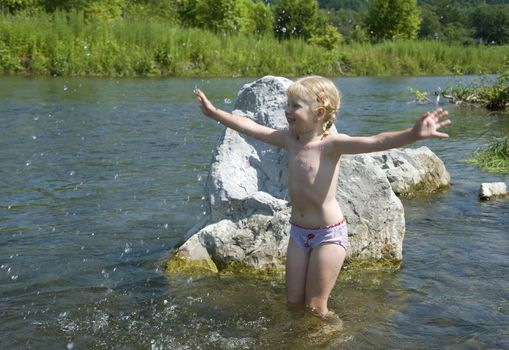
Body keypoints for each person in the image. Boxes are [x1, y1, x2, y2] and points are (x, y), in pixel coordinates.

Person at [195, 75, 451, 319]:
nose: (287, 110)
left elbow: (376, 140)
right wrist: (214, 113)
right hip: (298, 233)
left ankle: (333, 337)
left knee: (316, 307)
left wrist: (413, 134)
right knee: (294, 304)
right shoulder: (289, 140)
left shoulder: (332, 144)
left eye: (294, 106)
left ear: (318, 113)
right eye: (287, 104)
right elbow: (250, 127)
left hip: (328, 235)